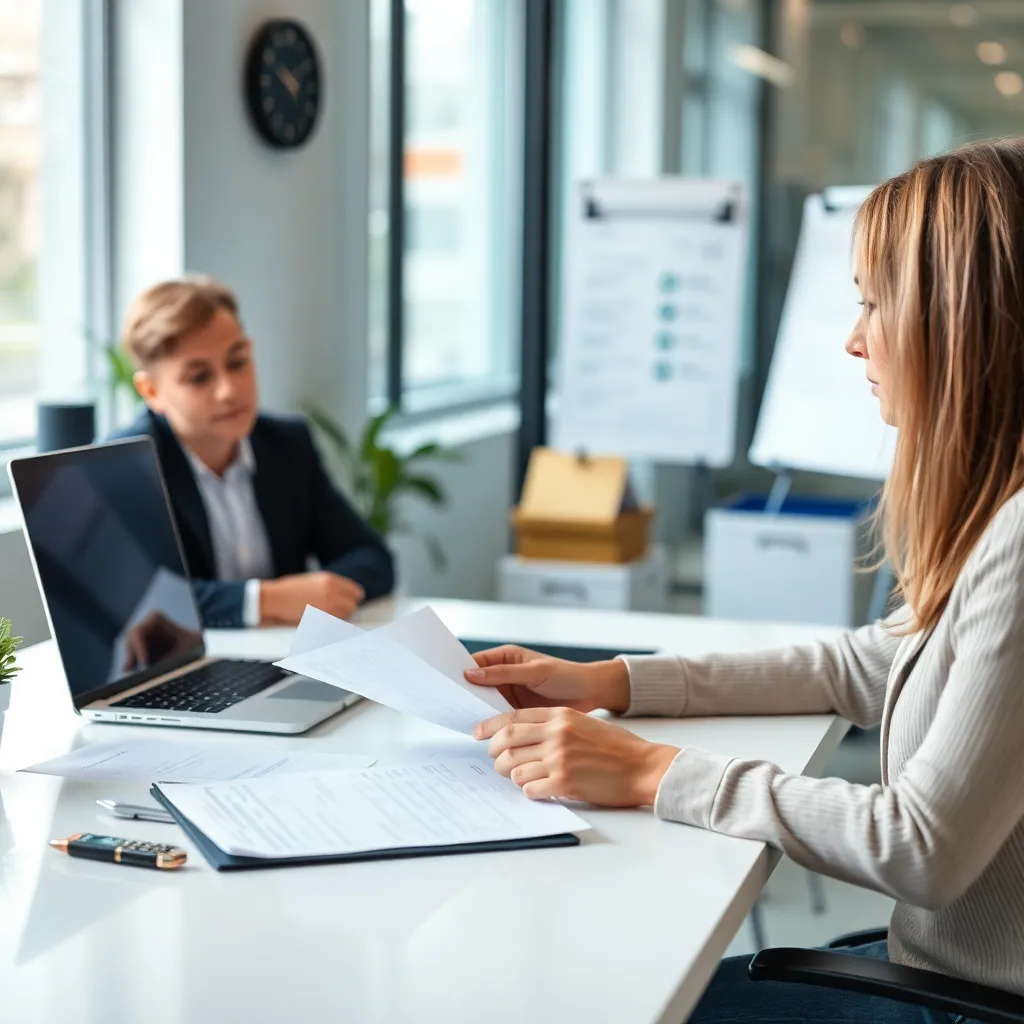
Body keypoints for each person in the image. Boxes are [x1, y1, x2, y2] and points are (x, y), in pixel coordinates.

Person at [466, 138, 1024, 1021]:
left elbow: (921, 848)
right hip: (940, 964)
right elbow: (869, 665)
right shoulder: (1002, 510)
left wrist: (654, 771)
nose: (852, 339)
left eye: (875, 304)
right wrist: (613, 682)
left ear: (960, 322)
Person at [109, 276, 395, 629]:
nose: (229, 390)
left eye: (237, 361)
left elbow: (372, 558)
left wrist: (321, 592)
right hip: (195, 669)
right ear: (151, 391)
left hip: (282, 653)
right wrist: (266, 600)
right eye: (199, 378)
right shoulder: (125, 466)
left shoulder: (287, 443)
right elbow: (140, 600)